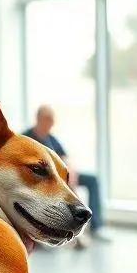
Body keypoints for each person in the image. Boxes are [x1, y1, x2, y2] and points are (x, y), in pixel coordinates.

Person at [22, 104, 107, 244]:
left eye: (51, 121)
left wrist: (71, 173)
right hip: (48, 180)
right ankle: (71, 232)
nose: (50, 124)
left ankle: (96, 227)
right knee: (69, 191)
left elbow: (66, 157)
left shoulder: (51, 138)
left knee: (93, 180)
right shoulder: (27, 138)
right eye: (47, 120)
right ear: (38, 119)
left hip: (64, 176)